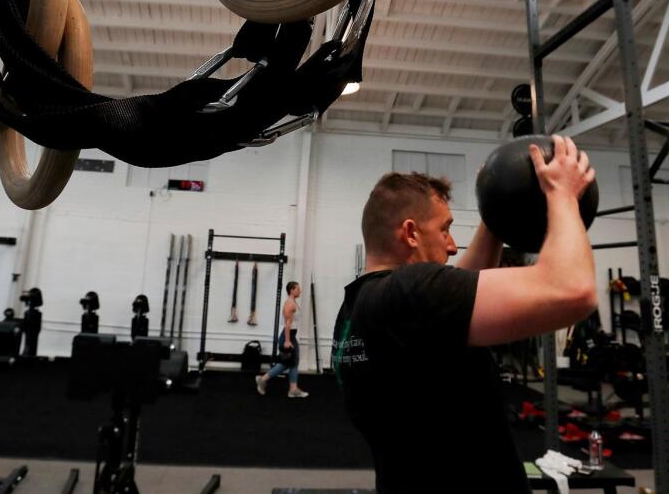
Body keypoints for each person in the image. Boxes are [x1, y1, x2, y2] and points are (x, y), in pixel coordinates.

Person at [332, 135, 597, 493]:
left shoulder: (360, 307)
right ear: (410, 233)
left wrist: (495, 209)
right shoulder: (408, 293)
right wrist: (562, 195)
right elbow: (573, 291)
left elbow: (463, 286)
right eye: (445, 229)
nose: (453, 244)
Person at [256, 281, 309, 398]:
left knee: (291, 363)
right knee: (288, 363)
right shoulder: (290, 304)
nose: (300, 291)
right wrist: (287, 341)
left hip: (291, 336)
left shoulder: (293, 302)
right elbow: (288, 323)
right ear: (291, 290)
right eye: (298, 289)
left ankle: (292, 388)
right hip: (287, 336)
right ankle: (265, 379)